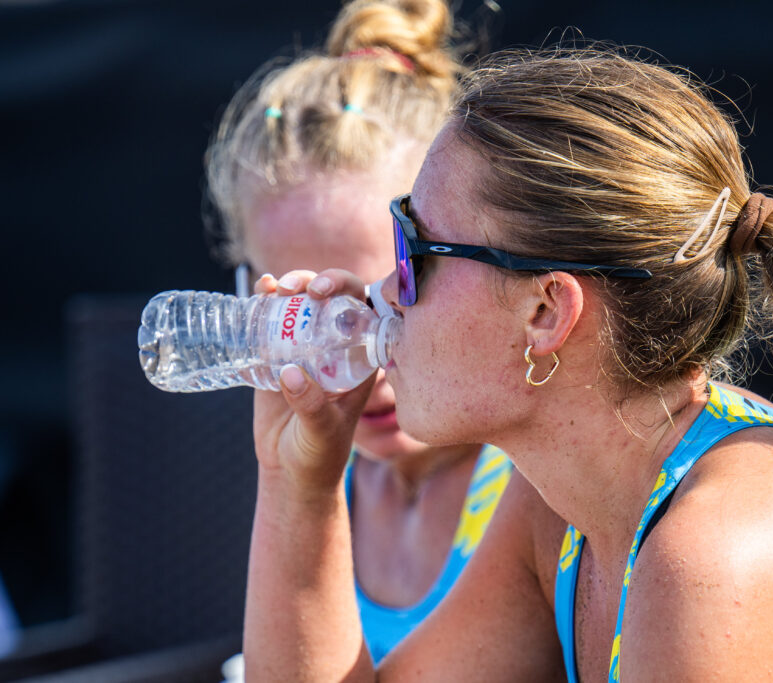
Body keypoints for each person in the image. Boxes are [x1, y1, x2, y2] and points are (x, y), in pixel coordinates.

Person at [243, 46, 773, 682]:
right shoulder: (564, 502)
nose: (386, 290)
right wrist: (297, 481)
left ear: (546, 311)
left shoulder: (716, 563)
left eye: (413, 248)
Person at [204, 0, 512, 666]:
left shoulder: (534, 482)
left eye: (393, 290)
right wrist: (295, 490)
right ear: (248, 291)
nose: (356, 351)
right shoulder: (318, 471)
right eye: (304, 311)